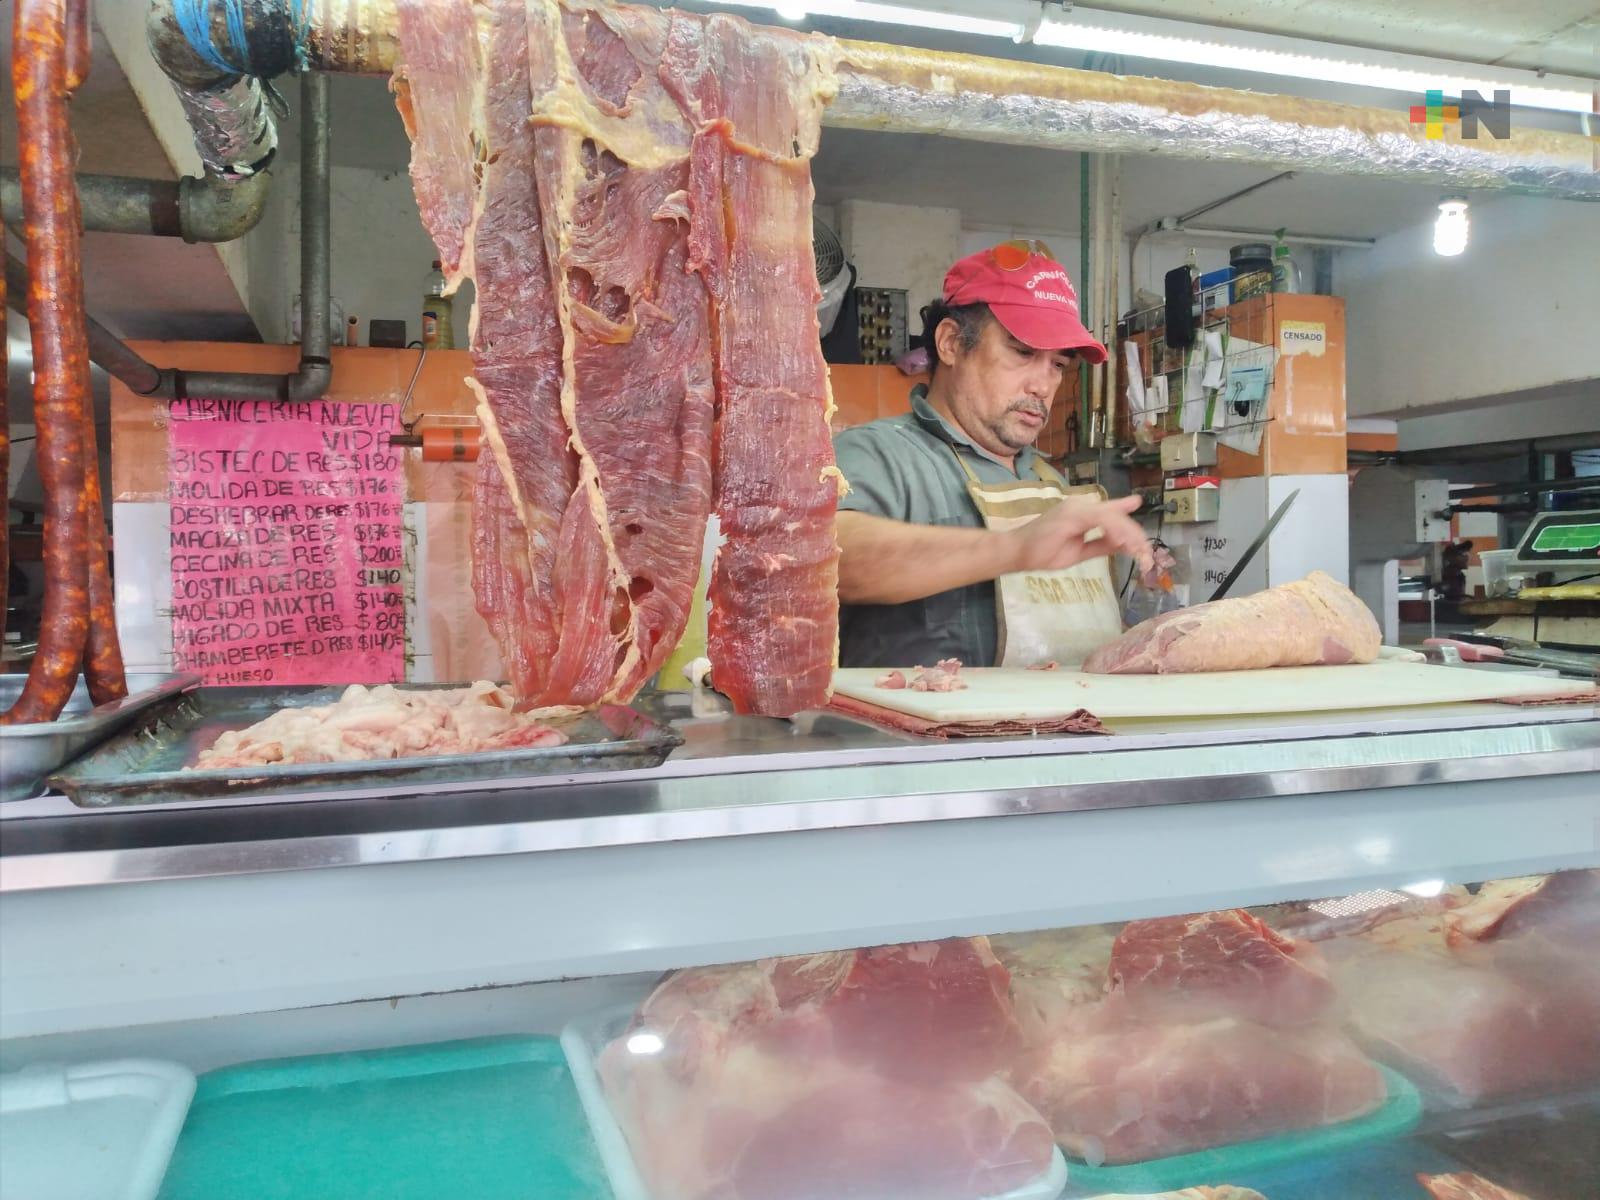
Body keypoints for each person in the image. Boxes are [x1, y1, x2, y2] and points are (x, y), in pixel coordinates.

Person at [833, 240, 1152, 669]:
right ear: (950, 343)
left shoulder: (1049, 483)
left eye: (1058, 364)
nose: (1043, 385)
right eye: (1022, 353)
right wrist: (1015, 548)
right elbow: (829, 559)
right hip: (922, 734)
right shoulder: (876, 454)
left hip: (1057, 730)